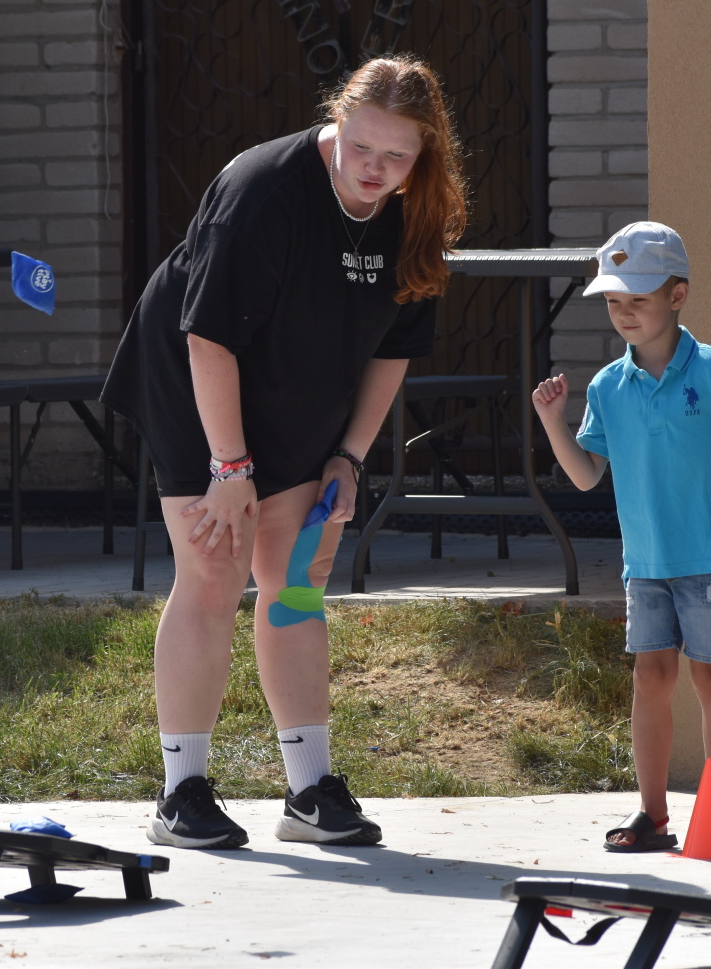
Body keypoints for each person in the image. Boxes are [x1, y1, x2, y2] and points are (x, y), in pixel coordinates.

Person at [102, 55, 468, 849]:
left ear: (423, 156)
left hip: (303, 385)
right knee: (214, 569)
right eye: (360, 146)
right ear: (337, 118)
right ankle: (181, 793)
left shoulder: (416, 212)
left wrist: (350, 456)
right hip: (200, 380)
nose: (373, 169)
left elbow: (393, 349)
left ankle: (309, 790)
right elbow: (208, 339)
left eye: (395, 156)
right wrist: (229, 469)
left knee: (296, 579)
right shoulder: (262, 190)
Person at [530, 221, 711, 852]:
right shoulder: (607, 387)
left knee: (710, 681)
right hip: (645, 564)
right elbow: (586, 476)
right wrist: (553, 422)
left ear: (678, 296)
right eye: (613, 301)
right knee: (650, 678)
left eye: (638, 300)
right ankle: (653, 816)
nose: (624, 312)